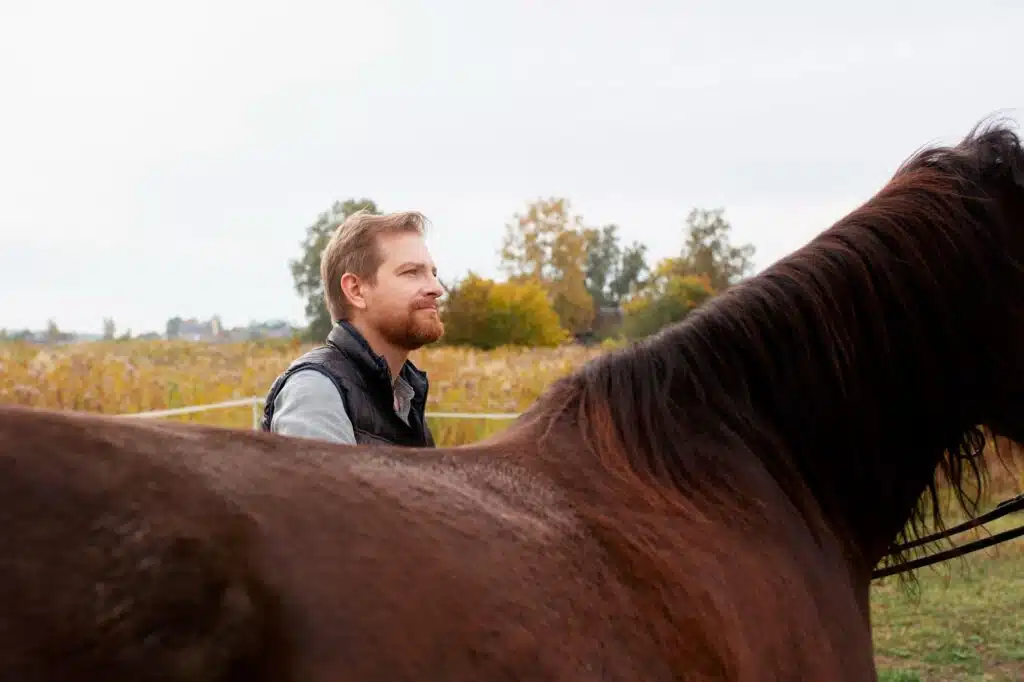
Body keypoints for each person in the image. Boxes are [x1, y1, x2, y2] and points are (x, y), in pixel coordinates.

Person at [260, 210, 444, 447]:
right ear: (356, 290)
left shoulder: (404, 396)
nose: (436, 288)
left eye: (434, 273)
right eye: (411, 272)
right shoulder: (316, 392)